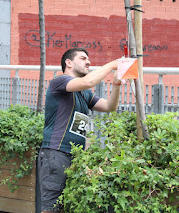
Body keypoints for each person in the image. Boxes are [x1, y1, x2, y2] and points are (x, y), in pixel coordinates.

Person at [38, 48, 122, 213]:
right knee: (51, 209)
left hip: (76, 157)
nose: (88, 62)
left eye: (88, 59)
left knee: (69, 207)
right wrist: (113, 64)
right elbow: (89, 81)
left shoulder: (84, 94)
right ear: (68, 63)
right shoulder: (59, 82)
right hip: (56, 153)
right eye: (83, 58)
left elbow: (110, 106)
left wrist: (117, 83)